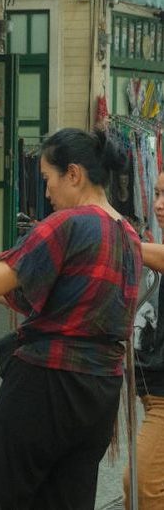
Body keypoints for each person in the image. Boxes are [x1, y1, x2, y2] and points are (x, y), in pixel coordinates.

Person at [0, 128, 143, 510]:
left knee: (0, 497)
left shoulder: (67, 223)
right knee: (64, 499)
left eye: (48, 179)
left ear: (74, 174)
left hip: (46, 383)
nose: (47, 192)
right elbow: (51, 301)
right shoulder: (128, 233)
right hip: (100, 391)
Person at [122, 170, 164, 510]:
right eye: (158, 194)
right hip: (151, 394)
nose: (159, 205)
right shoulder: (152, 249)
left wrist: (112, 236)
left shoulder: (148, 250)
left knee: (142, 487)